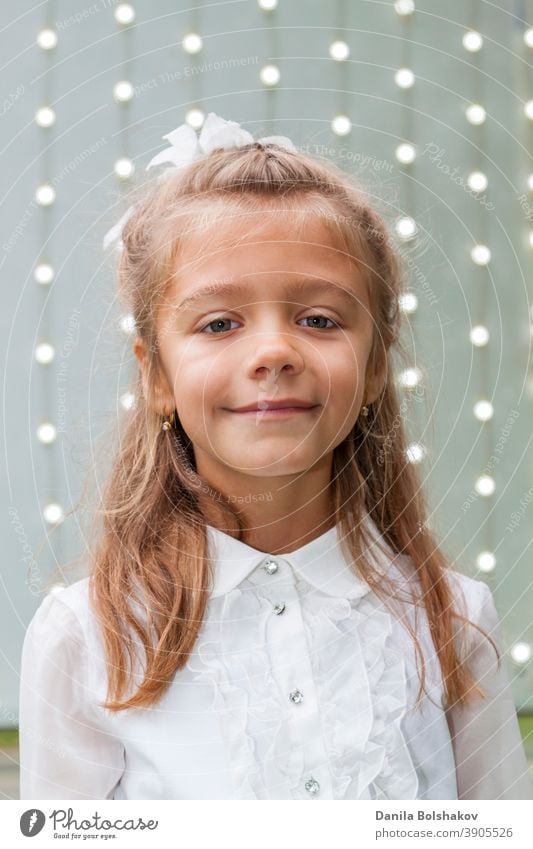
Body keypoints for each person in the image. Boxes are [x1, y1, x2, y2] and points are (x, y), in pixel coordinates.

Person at [19, 113, 532, 800]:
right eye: (219, 323)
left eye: (318, 319)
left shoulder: (454, 621)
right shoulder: (85, 636)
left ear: (375, 364)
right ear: (157, 377)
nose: (273, 352)